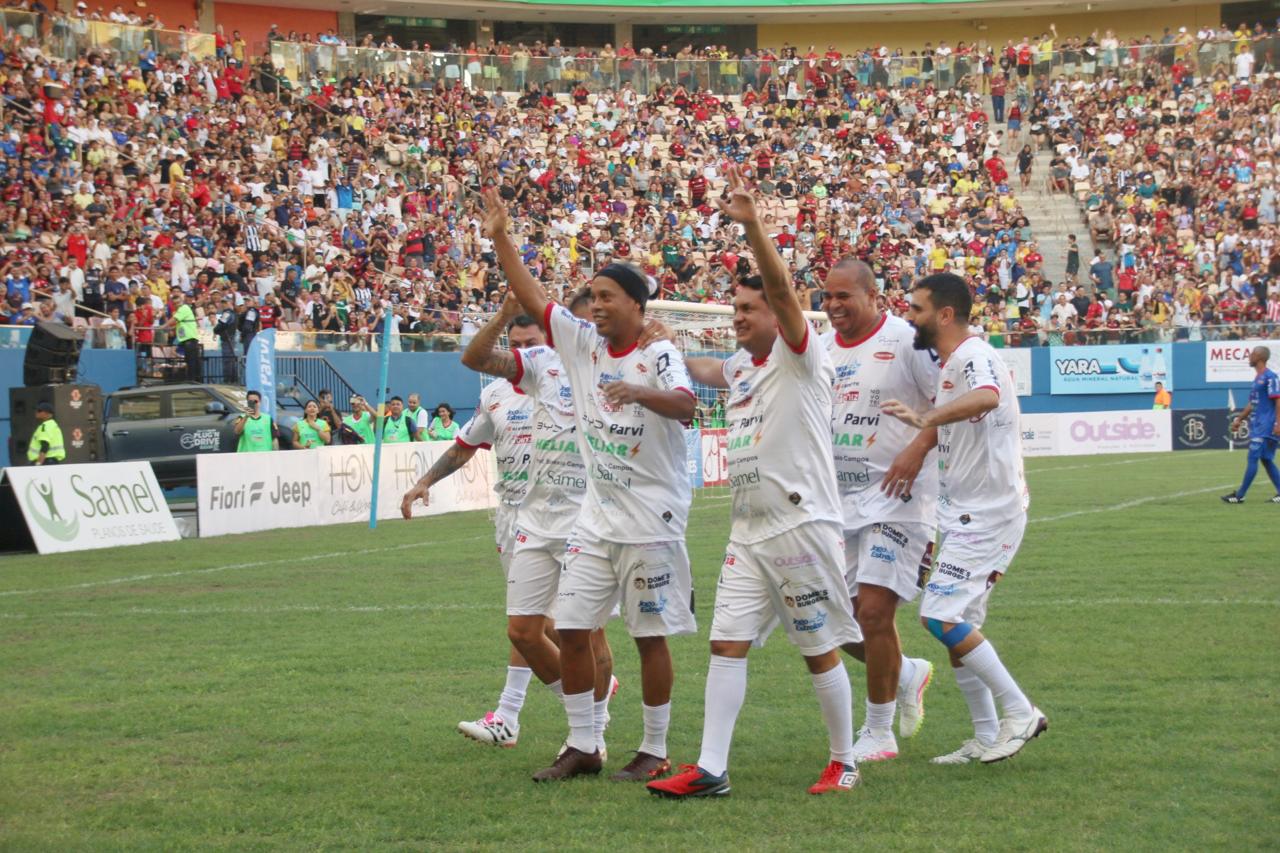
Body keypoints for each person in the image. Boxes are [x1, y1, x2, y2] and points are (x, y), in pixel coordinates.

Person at [647, 167, 862, 799]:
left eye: (748, 308)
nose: (738, 317)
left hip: (801, 522)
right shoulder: (742, 364)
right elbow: (715, 367)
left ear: (777, 311)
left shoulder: (802, 353)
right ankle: (711, 769)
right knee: (725, 642)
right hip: (748, 527)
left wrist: (754, 227)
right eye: (735, 309)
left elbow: (785, 294)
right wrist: (666, 349)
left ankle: (844, 759)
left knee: (818, 647)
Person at [485, 186, 697, 784]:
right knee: (572, 628)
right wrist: (501, 237)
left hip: (651, 518)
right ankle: (585, 744)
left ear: (635, 303)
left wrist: (638, 392)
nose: (596, 306)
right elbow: (533, 296)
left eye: (607, 297)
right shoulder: (580, 346)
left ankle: (654, 747)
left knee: (649, 638)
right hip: (595, 520)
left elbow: (686, 406)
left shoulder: (656, 354)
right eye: (593, 297)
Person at [431, 291, 616, 754]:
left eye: (529, 337)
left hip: (586, 517)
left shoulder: (601, 369)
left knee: (582, 630)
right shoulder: (515, 382)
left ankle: (583, 724)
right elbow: (464, 435)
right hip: (521, 515)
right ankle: (557, 713)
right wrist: (423, 483)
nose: (520, 349)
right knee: (526, 629)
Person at [881, 273, 1047, 765]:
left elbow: (989, 396)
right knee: (961, 627)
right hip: (964, 512)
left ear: (945, 315)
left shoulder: (974, 357)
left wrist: (926, 419)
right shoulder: (955, 362)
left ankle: (1021, 711)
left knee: (940, 615)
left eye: (917, 309)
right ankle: (985, 733)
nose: (911, 316)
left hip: (990, 514)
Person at [818, 256, 938, 763]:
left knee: (873, 611)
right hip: (839, 503)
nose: (833, 306)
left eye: (843, 296)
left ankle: (880, 731)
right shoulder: (821, 349)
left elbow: (950, 403)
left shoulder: (906, 342)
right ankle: (907, 672)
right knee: (832, 621)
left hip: (900, 499)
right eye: (826, 297)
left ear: (873, 296)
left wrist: (916, 448)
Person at [1222, 346, 1280, 504]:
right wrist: (1239, 419)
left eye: (1252, 354)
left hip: (1267, 426)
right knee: (1266, 460)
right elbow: (1252, 404)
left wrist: (1278, 423)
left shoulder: (1270, 377)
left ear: (1260, 357)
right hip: (1259, 425)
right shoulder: (1257, 379)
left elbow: (1278, 400)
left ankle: (1240, 495)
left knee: (1253, 457)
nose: (1249, 356)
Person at [165, 290, 202, 382]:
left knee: (191, 362)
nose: (177, 305)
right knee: (192, 361)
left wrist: (163, 326)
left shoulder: (184, 308)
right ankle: (195, 381)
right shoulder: (182, 310)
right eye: (174, 303)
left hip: (190, 339)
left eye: (178, 302)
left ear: (182, 301)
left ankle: (192, 381)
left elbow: (174, 319)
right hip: (187, 339)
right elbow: (177, 323)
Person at [213, 295, 239, 383]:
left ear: (230, 303)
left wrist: (215, 330)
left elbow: (222, 324)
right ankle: (233, 380)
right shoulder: (232, 313)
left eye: (225, 302)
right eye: (222, 302)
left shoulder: (227, 313)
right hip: (229, 338)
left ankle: (228, 381)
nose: (223, 305)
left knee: (227, 360)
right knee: (230, 359)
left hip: (228, 339)